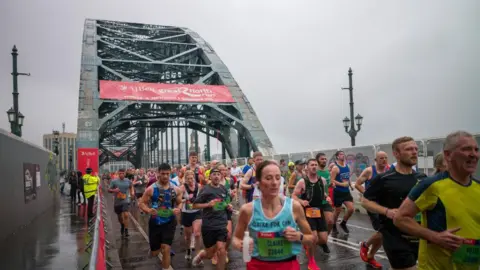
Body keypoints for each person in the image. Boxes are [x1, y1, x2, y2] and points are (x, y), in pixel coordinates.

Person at [394, 131, 480, 270]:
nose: (473, 154)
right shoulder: (430, 185)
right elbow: (400, 218)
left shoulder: (478, 188)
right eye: (466, 149)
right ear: (448, 155)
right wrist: (435, 237)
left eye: (476, 149)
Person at [232, 160, 315, 270]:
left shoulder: (294, 207)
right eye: (268, 178)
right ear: (258, 182)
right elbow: (236, 239)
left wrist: (299, 236)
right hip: (257, 265)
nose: (275, 182)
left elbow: (311, 238)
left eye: (277, 177)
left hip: (288, 265)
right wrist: (240, 245)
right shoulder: (247, 210)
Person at [362, 136, 427, 270]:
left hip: (417, 233)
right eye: (409, 149)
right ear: (396, 154)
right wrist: (387, 211)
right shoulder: (384, 179)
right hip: (394, 235)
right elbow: (365, 201)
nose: (414, 152)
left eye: (416, 149)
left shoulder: (422, 178)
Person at [138, 163, 183, 270]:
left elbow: (180, 202)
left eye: (167, 174)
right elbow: (141, 203)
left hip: (170, 222)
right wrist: (149, 210)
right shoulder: (151, 189)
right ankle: (154, 249)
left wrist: (179, 209)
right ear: (158, 173)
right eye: (163, 174)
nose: (165, 176)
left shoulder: (176, 189)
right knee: (155, 252)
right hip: (155, 222)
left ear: (170, 173)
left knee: (166, 248)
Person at [354, 151, 389, 269]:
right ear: (376, 160)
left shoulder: (389, 170)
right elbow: (357, 184)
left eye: (385, 158)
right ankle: (365, 245)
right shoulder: (370, 171)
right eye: (381, 158)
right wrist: (368, 194)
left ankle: (370, 256)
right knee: (383, 230)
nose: (384, 160)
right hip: (372, 204)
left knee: (383, 233)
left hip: (385, 205)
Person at [191, 168, 231, 269]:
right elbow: (194, 205)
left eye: (218, 174)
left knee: (221, 250)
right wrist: (208, 204)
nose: (216, 176)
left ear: (221, 176)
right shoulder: (205, 189)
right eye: (214, 174)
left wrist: (228, 206)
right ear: (210, 177)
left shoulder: (223, 189)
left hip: (221, 223)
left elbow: (225, 202)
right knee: (209, 254)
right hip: (209, 225)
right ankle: (201, 256)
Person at [292, 158, 328, 270]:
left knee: (323, 239)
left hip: (319, 211)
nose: (314, 167)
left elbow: (323, 193)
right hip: (307, 212)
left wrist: (327, 197)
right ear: (307, 167)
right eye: (312, 165)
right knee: (313, 237)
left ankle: (306, 242)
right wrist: (302, 201)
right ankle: (311, 262)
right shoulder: (302, 181)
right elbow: (293, 196)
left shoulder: (322, 180)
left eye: (315, 165)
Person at [330, 151, 355, 234]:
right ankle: (333, 225)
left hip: (346, 192)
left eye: (343, 154)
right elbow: (331, 180)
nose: (343, 155)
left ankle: (343, 223)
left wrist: (350, 185)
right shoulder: (335, 168)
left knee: (351, 209)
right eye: (340, 154)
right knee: (337, 211)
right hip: (338, 192)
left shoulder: (347, 166)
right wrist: (341, 184)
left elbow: (348, 177)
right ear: (337, 157)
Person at [180, 170, 202, 260]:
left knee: (197, 233)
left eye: (192, 178)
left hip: (197, 212)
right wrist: (185, 200)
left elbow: (203, 197)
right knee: (188, 237)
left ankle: (198, 255)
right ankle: (188, 250)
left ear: (194, 178)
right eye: (188, 178)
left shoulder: (199, 186)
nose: (190, 180)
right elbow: (178, 200)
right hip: (186, 213)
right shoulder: (182, 188)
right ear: (185, 179)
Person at [108, 169, 134, 237]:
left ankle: (126, 229)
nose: (121, 174)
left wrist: (132, 193)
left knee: (126, 214)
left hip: (125, 200)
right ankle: (122, 225)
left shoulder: (127, 180)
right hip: (117, 201)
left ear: (125, 174)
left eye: (123, 173)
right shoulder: (114, 181)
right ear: (118, 174)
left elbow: (131, 186)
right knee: (120, 217)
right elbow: (109, 190)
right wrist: (114, 190)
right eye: (120, 173)